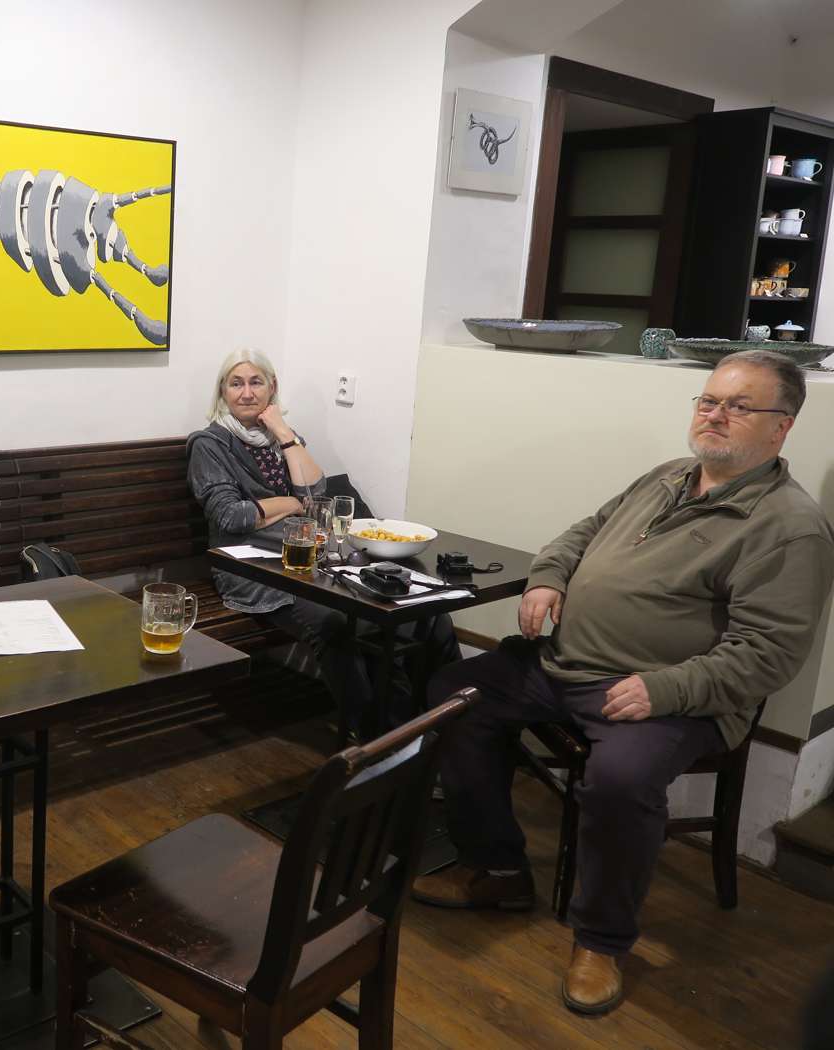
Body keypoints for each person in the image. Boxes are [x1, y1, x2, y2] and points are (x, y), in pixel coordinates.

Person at [412, 349, 834, 1016]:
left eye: (738, 406)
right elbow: (584, 531)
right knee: (454, 695)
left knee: (620, 780)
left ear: (782, 427)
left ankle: (601, 941)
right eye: (708, 400)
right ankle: (496, 868)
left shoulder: (789, 529)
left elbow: (768, 655)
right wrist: (549, 575)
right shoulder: (668, 476)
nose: (715, 415)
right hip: (566, 664)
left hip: (672, 695)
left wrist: (662, 691)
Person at [186, 349, 458, 735]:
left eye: (256, 382)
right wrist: (292, 503)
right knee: (336, 624)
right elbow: (232, 516)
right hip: (254, 570)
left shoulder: (281, 437)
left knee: (426, 613)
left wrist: (285, 435)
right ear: (222, 392)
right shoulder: (210, 445)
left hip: (312, 563)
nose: (247, 393)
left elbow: (316, 493)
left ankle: (449, 726)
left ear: (272, 388)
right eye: (236, 384)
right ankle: (380, 740)